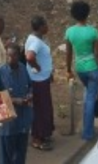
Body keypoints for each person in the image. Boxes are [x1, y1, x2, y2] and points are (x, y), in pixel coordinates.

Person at [65, 0, 98, 141]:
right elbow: (97, 54)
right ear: (87, 14)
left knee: (88, 93)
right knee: (90, 98)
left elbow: (69, 53)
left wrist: (68, 70)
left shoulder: (70, 32)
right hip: (93, 68)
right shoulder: (93, 32)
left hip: (79, 68)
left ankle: (88, 124)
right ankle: (87, 132)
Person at [0, 44, 32, 164]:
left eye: (13, 56)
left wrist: (30, 94)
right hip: (7, 124)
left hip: (23, 120)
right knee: (6, 157)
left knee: (20, 154)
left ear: (18, 56)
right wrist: (14, 100)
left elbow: (30, 86)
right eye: (8, 56)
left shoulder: (23, 68)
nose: (10, 59)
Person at [25, 15, 54, 151]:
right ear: (41, 27)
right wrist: (36, 67)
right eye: (46, 24)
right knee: (41, 109)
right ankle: (37, 138)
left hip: (42, 78)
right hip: (39, 81)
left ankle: (43, 133)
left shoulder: (34, 38)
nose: (47, 27)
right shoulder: (35, 42)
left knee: (42, 108)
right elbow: (30, 56)